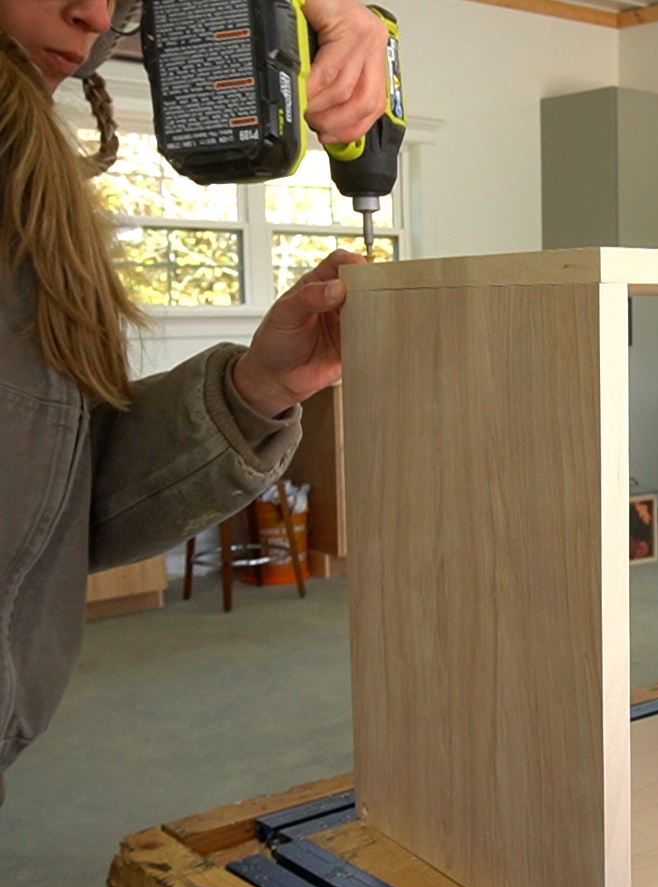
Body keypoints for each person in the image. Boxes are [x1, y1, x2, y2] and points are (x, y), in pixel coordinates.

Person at [0, 0, 390, 801]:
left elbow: (50, 502)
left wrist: (260, 387)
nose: (94, 12)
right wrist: (337, 12)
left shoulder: (24, 172)